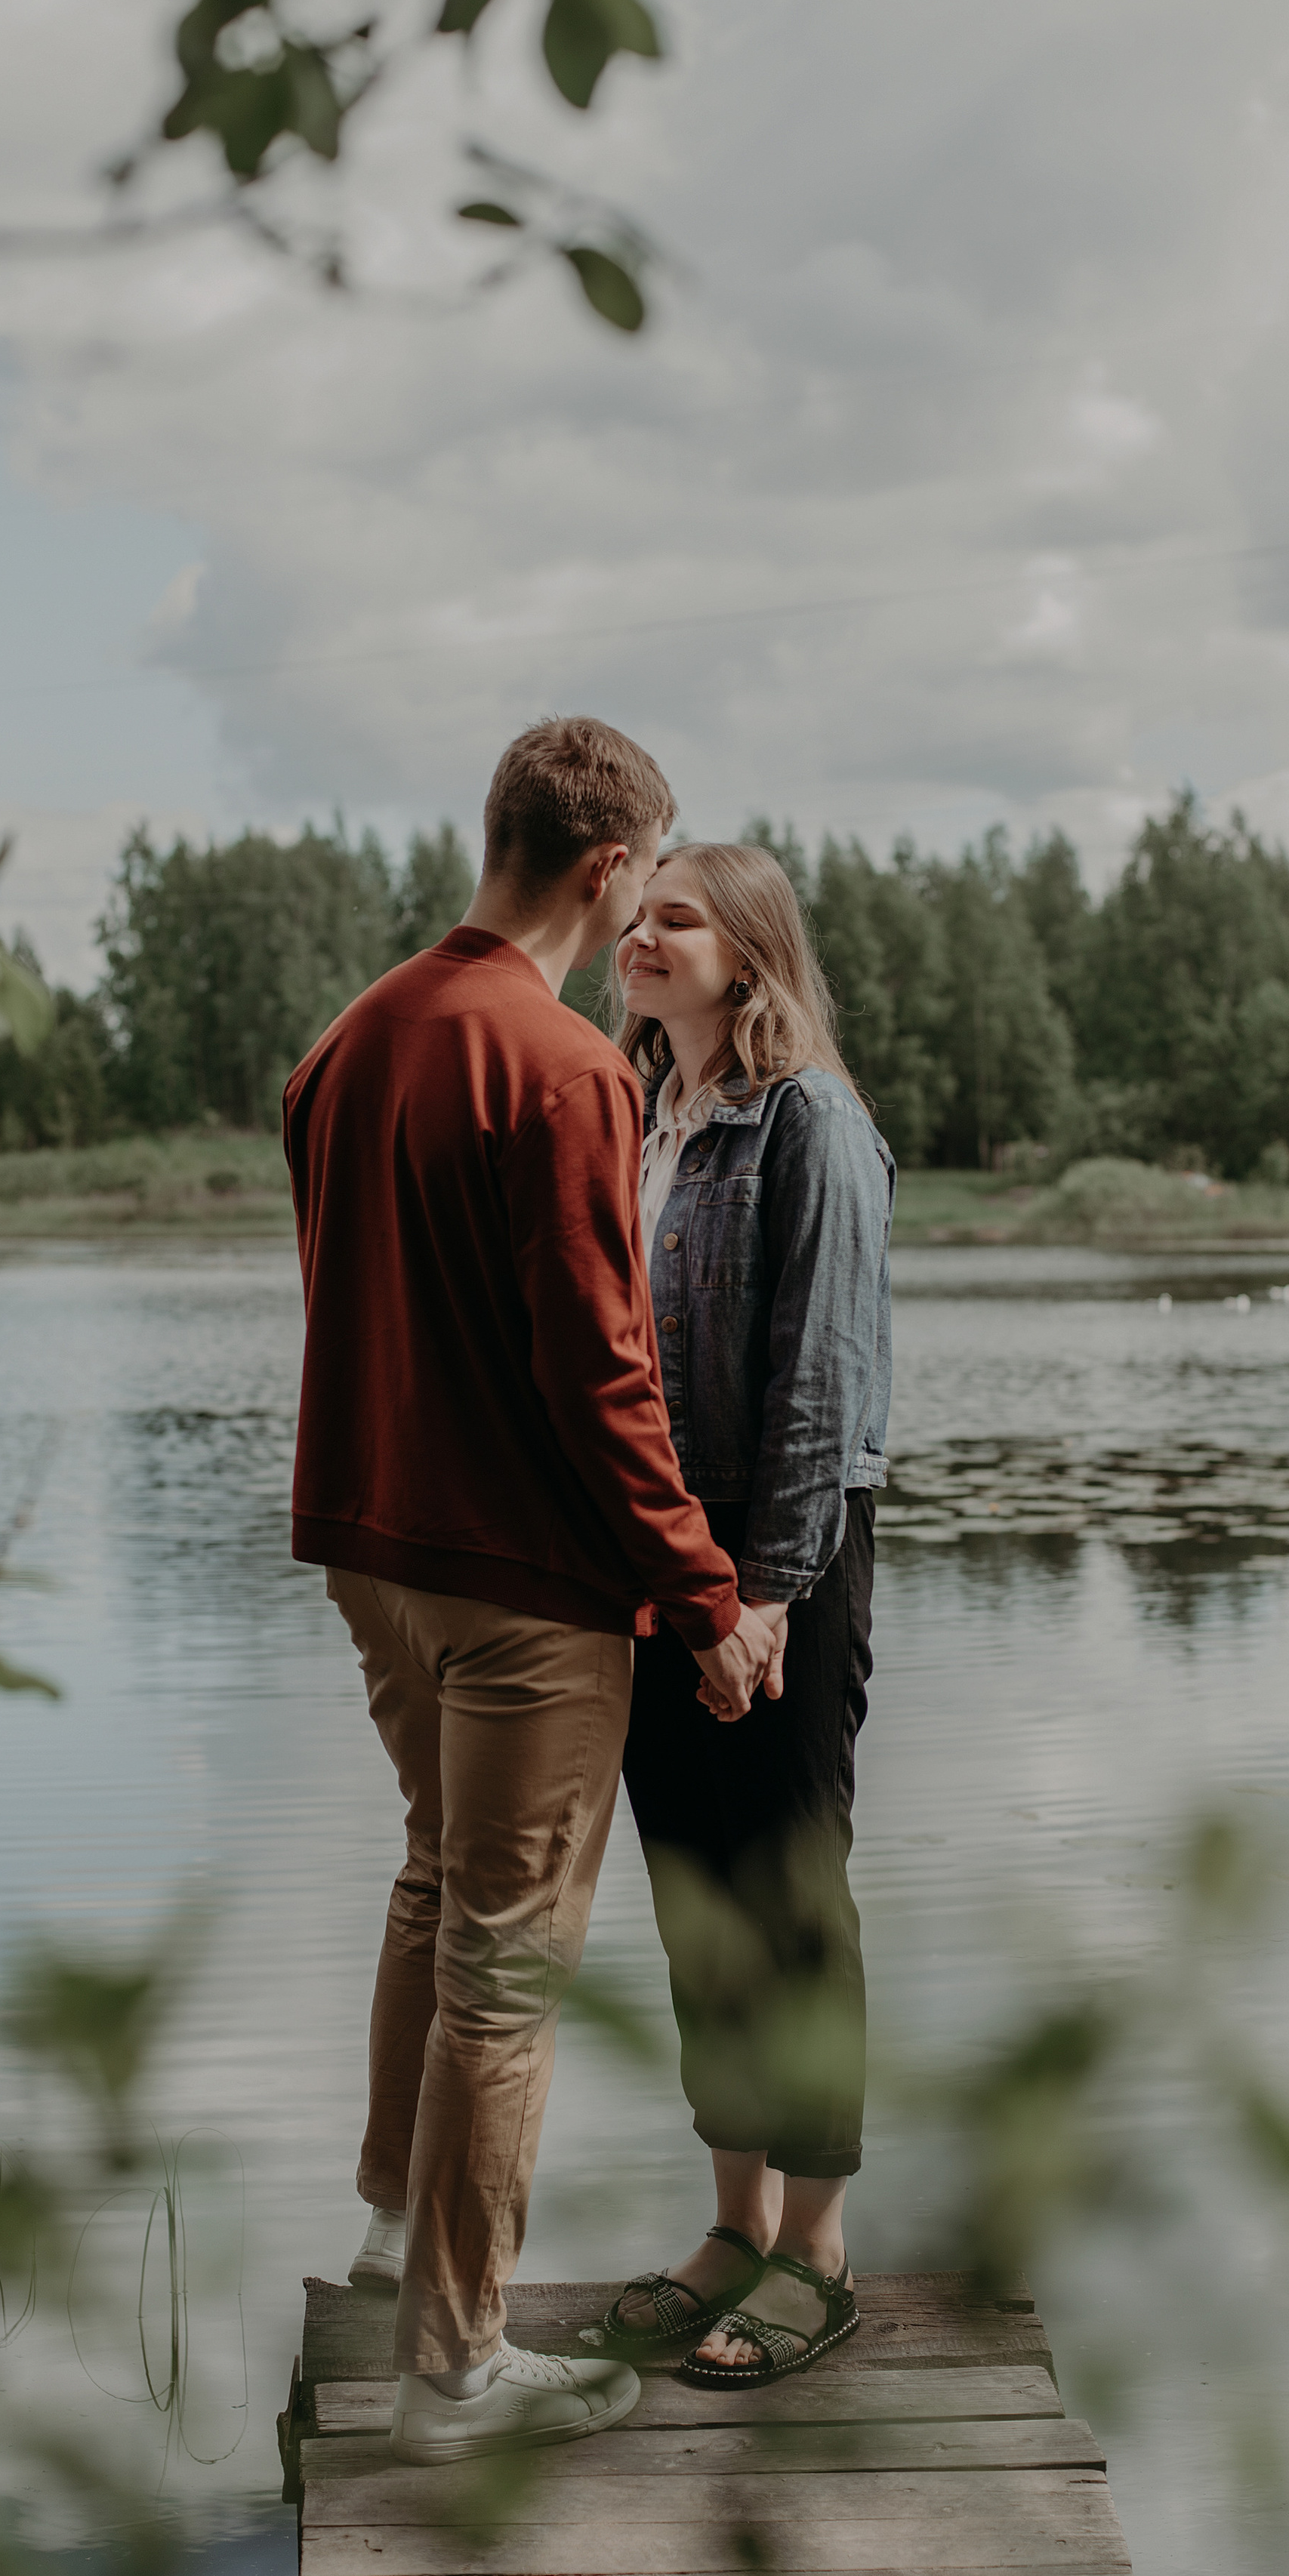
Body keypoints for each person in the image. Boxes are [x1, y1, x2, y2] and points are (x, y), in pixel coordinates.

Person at [282, 723, 780, 2467]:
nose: (644, 906)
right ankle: (455, 2368)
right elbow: (600, 1378)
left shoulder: (346, 1042)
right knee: (507, 1963)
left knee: (435, 1882)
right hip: (517, 1591)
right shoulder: (566, 1070)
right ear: (607, 868)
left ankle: (385, 2243)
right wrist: (704, 1597)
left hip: (375, 1560)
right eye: (646, 876)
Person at [597, 842, 893, 2388]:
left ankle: (818, 2250)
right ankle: (734, 2222)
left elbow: (821, 1383)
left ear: (748, 951)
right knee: (697, 1898)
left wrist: (764, 1595)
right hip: (662, 1573)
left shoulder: (809, 1121)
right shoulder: (645, 1110)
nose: (639, 936)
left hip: (784, 1562)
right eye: (635, 914)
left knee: (789, 1898)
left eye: (677, 918)